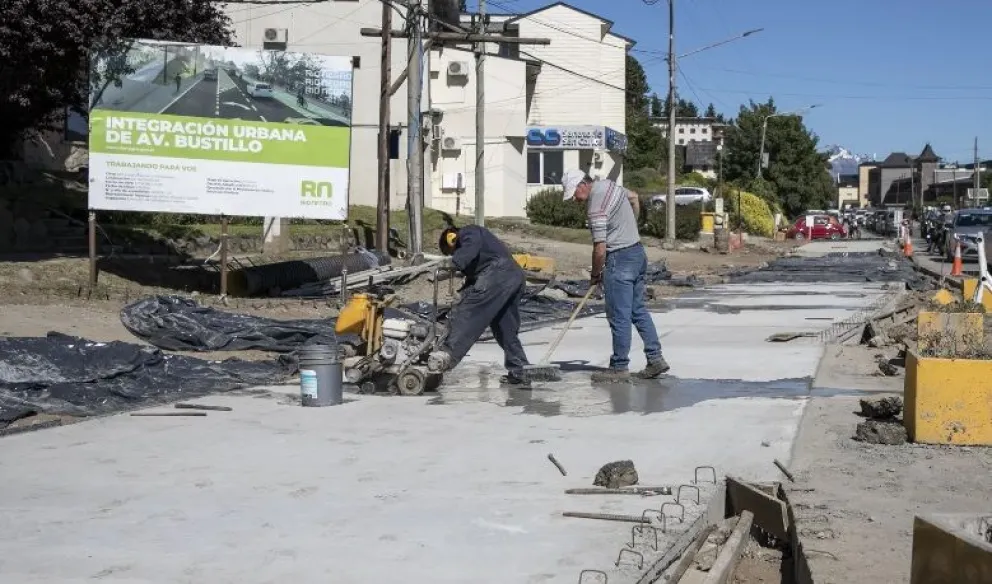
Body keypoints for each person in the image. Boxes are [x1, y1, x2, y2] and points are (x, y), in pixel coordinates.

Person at [560, 169, 670, 382]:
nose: (574, 199)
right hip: (637, 253)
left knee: (619, 316)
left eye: (573, 193)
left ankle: (619, 367)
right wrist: (631, 228)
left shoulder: (595, 205)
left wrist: (595, 274)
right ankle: (655, 358)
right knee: (637, 310)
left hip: (619, 259)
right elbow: (634, 197)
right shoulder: (609, 186)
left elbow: (600, 248)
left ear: (582, 184)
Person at [428, 225, 532, 387]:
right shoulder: (478, 254)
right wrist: (461, 295)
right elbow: (474, 281)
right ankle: (520, 370)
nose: (453, 255)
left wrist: (453, 262)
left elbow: (469, 250)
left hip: (498, 274)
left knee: (468, 313)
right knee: (504, 329)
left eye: (451, 252)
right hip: (513, 277)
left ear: (451, 239)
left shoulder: (468, 233)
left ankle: (445, 355)